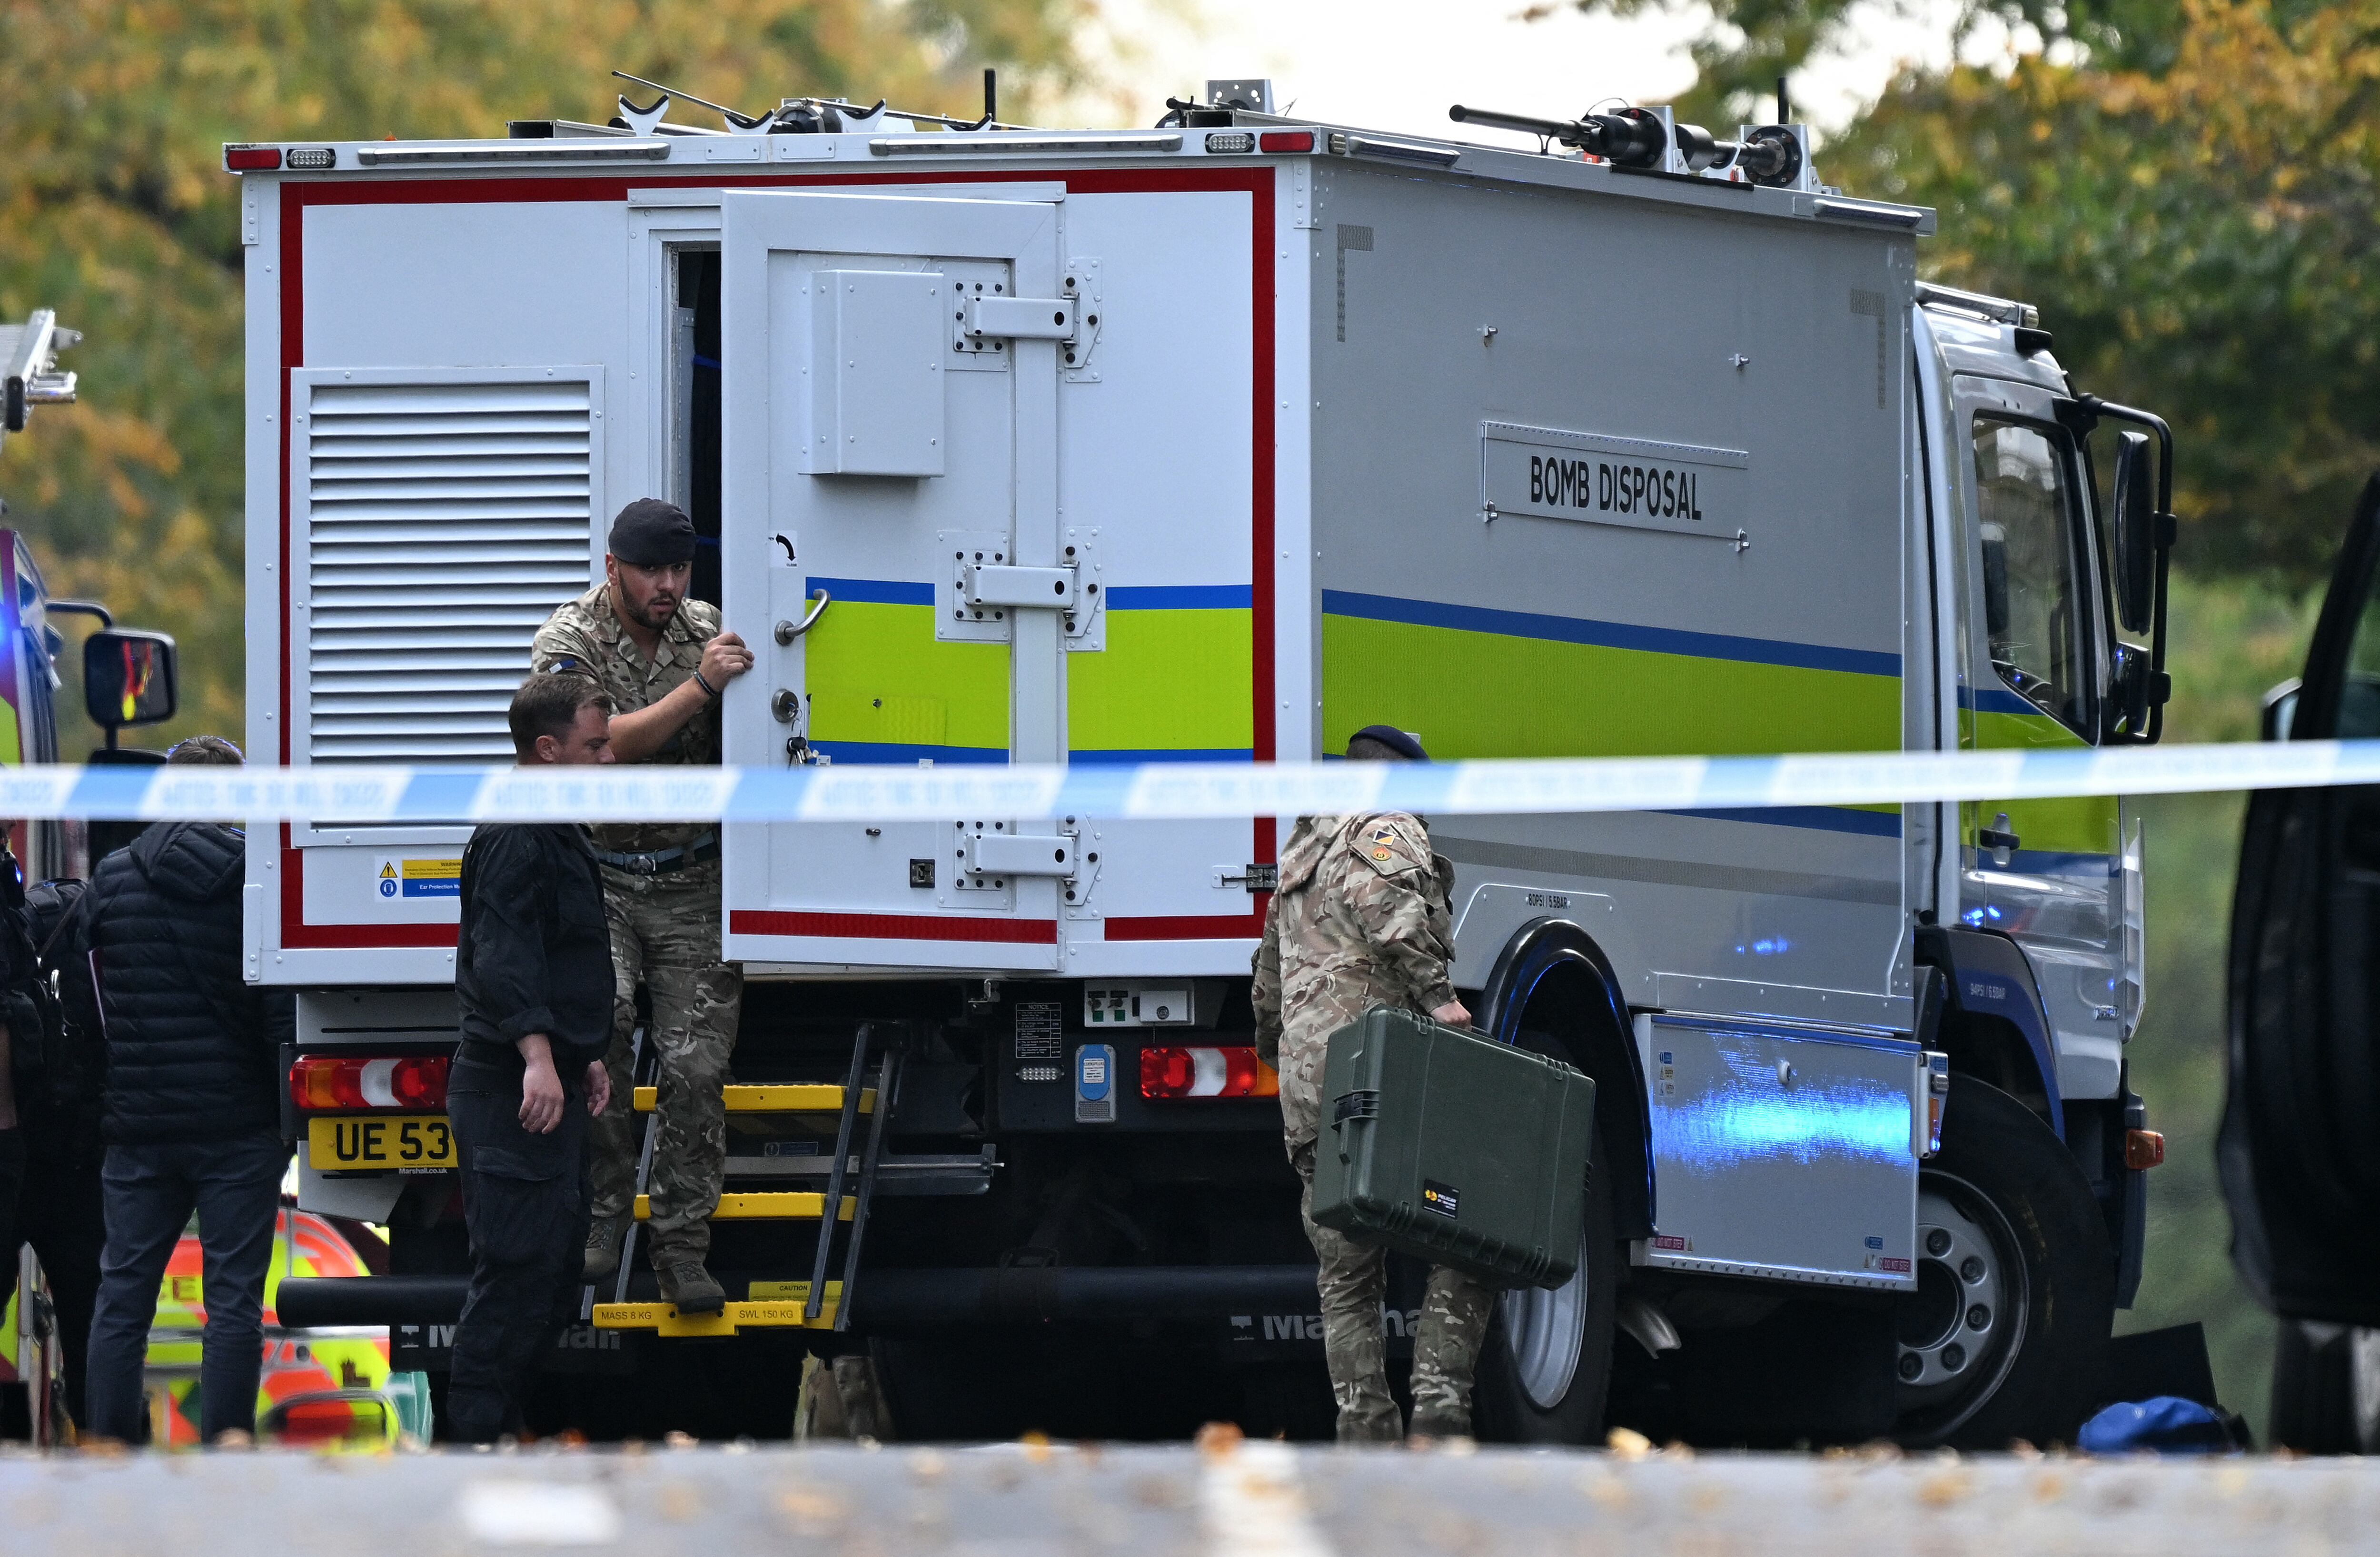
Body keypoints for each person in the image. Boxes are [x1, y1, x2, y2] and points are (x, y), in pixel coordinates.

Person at [531, 498, 752, 1314]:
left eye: (680, 570)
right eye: (651, 571)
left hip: (693, 877)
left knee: (698, 1070)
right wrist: (700, 687)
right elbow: (603, 744)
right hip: (603, 877)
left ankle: (684, 1251)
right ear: (614, 567)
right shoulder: (570, 641)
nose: (668, 587)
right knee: (603, 1034)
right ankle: (603, 1218)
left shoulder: (709, 628)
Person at [1251, 724, 1490, 1444]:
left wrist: (1278, 1051)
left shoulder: (1301, 853)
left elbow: (1267, 982)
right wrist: (1441, 1000)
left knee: (1346, 1275)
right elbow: (1394, 918)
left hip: (1311, 1093)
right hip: (1382, 1081)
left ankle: (1366, 1430)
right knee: (1472, 1234)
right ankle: (1440, 1411)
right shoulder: (1385, 828)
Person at [78, 734, 294, 1445]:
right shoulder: (250, 880)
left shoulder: (109, 878)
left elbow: (88, 1006)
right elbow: (271, 1012)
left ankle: (111, 1442)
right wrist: (279, 1116)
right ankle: (225, 1443)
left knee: (122, 1296)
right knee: (232, 1300)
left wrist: (109, 1093)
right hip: (236, 1127)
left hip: (138, 1130)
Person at [445, 674, 618, 1443]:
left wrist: (582, 1057)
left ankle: (505, 1440)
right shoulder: (518, 833)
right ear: (548, 751)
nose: (610, 761)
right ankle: (472, 1448)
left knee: (548, 1279)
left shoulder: (552, 827)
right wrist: (539, 1057)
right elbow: (503, 955)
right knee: (515, 1276)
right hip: (510, 1090)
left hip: (547, 1081)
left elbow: (557, 954)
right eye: (597, 746)